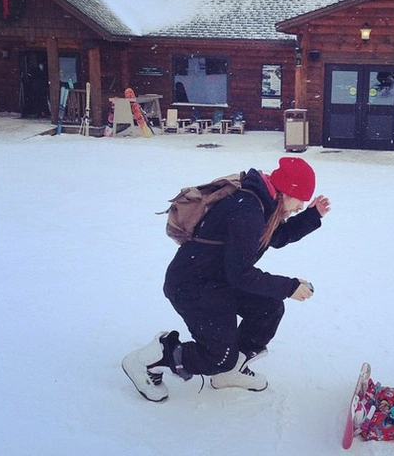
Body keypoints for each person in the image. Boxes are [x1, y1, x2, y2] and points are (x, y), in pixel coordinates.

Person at [122, 157, 331, 402]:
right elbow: (241, 274)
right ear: (286, 191)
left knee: (268, 308)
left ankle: (230, 372)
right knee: (218, 357)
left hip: (217, 280)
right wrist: (289, 286)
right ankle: (154, 357)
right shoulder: (248, 210)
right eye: (301, 200)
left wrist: (311, 216)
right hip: (192, 286)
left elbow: (275, 237)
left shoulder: (262, 203)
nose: (300, 205)